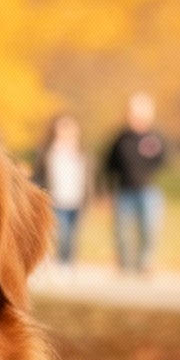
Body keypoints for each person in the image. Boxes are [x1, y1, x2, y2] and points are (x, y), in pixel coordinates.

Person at [102, 93, 168, 274]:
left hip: (147, 190)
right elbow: (108, 165)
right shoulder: (120, 138)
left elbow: (164, 159)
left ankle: (145, 262)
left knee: (149, 228)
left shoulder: (154, 138)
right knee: (122, 230)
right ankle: (124, 263)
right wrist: (106, 191)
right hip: (124, 191)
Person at [33, 114, 90, 263]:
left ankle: (67, 263)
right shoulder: (48, 152)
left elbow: (87, 177)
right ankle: (57, 262)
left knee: (72, 236)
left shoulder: (82, 152)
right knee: (60, 234)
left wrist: (89, 196)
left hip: (76, 199)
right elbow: (39, 175)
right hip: (56, 200)